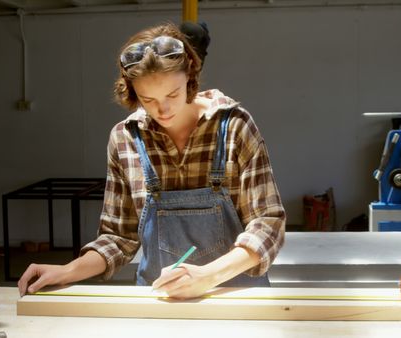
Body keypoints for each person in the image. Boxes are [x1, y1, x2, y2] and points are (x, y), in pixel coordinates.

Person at [17, 22, 286, 300]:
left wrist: (208, 276)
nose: (163, 109)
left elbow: (268, 223)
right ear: (133, 94)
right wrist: (67, 271)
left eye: (173, 94)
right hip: (161, 301)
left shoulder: (234, 127)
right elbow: (118, 238)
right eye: (148, 99)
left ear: (190, 77)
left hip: (235, 298)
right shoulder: (126, 138)